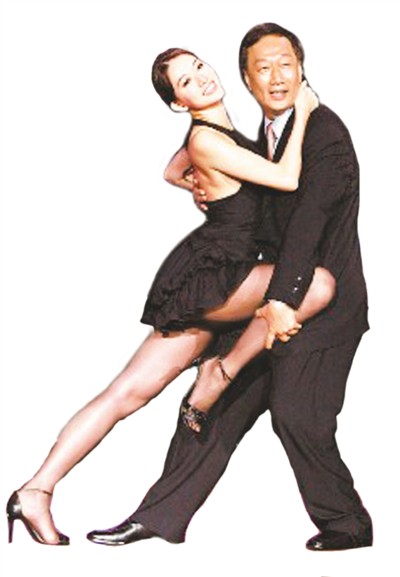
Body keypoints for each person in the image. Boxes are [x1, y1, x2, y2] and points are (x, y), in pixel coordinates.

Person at [6, 46, 331, 546]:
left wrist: (199, 188)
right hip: (218, 278)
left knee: (127, 393)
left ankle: (35, 490)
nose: (201, 78)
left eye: (199, 66)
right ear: (179, 103)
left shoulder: (213, 137)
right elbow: (287, 178)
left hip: (215, 276)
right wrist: (305, 110)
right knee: (316, 283)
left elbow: (171, 171)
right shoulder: (207, 140)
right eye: (186, 82)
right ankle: (222, 370)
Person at [86, 23, 372, 552]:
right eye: (264, 68)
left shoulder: (324, 133)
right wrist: (198, 188)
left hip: (320, 304)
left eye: (286, 64)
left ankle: (347, 524)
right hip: (274, 295)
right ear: (246, 78)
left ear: (302, 68)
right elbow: (250, 203)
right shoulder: (263, 135)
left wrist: (281, 301)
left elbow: (307, 225)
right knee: (208, 408)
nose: (277, 77)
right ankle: (158, 517)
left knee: (296, 412)